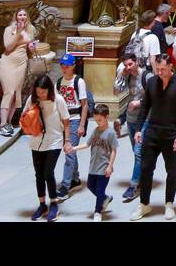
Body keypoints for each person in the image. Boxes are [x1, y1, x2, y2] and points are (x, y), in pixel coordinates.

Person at [131, 53, 176, 221]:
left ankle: (169, 204)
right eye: (157, 69)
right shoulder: (152, 82)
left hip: (172, 134)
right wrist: (138, 129)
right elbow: (144, 108)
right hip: (152, 132)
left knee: (172, 171)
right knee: (145, 168)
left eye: (163, 69)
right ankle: (144, 204)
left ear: (171, 66)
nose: (160, 72)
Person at [23, 74, 71, 221]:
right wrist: (30, 115)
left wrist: (67, 141)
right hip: (36, 142)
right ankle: (42, 204)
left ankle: (54, 204)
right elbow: (24, 117)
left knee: (48, 173)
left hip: (54, 141)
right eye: (38, 92)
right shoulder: (32, 100)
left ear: (49, 90)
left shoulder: (59, 100)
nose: (41, 95)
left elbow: (66, 122)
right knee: (39, 175)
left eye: (43, 92)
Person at [65, 103, 118, 221]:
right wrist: (73, 148)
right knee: (90, 185)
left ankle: (97, 211)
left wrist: (110, 166)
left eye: (100, 120)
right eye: (96, 120)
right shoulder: (95, 131)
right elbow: (87, 144)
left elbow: (114, 151)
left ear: (107, 117)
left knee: (99, 190)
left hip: (104, 167)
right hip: (93, 166)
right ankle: (105, 198)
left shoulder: (111, 133)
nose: (98, 122)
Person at [114, 53, 149, 204]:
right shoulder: (127, 76)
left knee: (138, 151)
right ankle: (143, 179)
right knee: (137, 153)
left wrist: (139, 103)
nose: (128, 67)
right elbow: (116, 91)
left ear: (137, 63)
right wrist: (122, 75)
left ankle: (134, 185)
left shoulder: (147, 76)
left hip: (146, 119)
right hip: (131, 119)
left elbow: (154, 96)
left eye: (130, 64)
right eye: (126, 65)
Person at [56, 54, 90, 196]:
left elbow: (84, 105)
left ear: (73, 66)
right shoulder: (58, 82)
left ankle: (65, 185)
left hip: (75, 119)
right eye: (62, 66)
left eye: (67, 66)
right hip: (62, 120)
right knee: (71, 150)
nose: (64, 69)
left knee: (69, 151)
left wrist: (82, 125)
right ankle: (75, 178)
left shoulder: (79, 82)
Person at [0, 9, 36, 136]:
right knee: (8, 92)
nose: (22, 16)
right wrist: (18, 33)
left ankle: (8, 122)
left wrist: (31, 48)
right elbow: (8, 47)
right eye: (20, 14)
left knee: (16, 94)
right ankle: (2, 124)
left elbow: (29, 49)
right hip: (8, 62)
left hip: (21, 63)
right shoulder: (9, 29)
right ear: (16, 16)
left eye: (25, 14)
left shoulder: (31, 29)